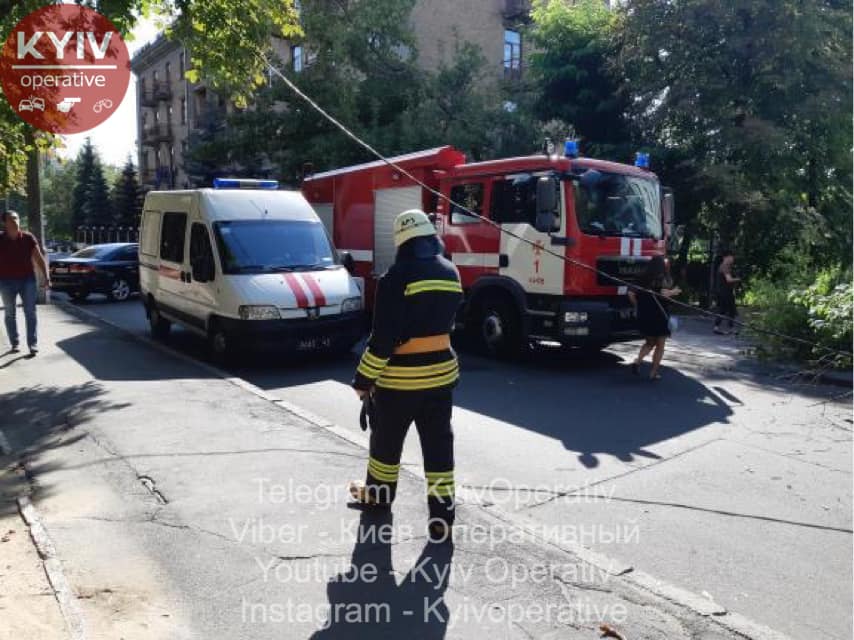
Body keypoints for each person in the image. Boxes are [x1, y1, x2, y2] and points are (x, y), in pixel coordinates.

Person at [349, 209, 463, 541]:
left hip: (400, 384)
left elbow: (383, 341)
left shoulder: (394, 278)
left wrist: (363, 380)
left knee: (386, 446)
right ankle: (442, 516)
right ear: (430, 236)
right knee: (439, 447)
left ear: (401, 242)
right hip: (441, 379)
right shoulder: (451, 272)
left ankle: (379, 501)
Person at [0, 211, 50, 355]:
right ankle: (15, 343)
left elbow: (39, 258)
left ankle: (32, 344)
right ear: (5, 223)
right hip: (5, 281)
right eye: (11, 219)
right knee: (10, 313)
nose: (15, 221)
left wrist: (46, 277)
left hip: (27, 280)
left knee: (30, 312)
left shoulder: (28, 238)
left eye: (17, 218)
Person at [628, 255, 681, 380]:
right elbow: (663, 294)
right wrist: (674, 292)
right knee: (660, 346)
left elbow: (630, 293)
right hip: (660, 315)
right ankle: (653, 373)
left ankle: (638, 361)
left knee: (649, 342)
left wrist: (638, 306)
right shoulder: (662, 278)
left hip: (645, 315)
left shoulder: (640, 277)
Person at [713, 249, 740, 335]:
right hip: (725, 292)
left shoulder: (722, 266)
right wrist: (738, 279)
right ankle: (728, 328)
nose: (733, 259)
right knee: (729, 310)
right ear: (727, 257)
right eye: (732, 257)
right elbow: (729, 280)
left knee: (724, 309)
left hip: (722, 291)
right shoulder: (725, 266)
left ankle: (718, 327)